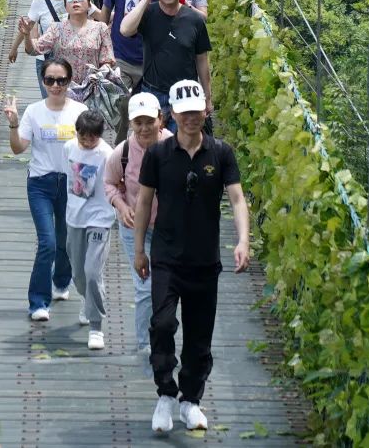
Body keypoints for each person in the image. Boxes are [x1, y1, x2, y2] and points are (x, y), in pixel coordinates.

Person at [135, 79, 250, 435]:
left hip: (204, 259)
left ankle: (191, 400)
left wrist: (243, 240)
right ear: (171, 113)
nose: (191, 118)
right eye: (184, 112)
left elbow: (237, 198)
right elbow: (143, 201)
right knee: (162, 324)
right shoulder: (158, 154)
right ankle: (165, 393)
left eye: (196, 111)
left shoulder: (221, 152)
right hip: (166, 257)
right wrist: (139, 249)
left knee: (200, 336)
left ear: (205, 111)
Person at [4, 63, 82, 321]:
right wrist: (14, 125)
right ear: (43, 81)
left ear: (69, 81)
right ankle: (38, 302)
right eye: (50, 80)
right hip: (40, 183)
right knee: (47, 242)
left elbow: (90, 149)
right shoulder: (34, 111)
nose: (56, 86)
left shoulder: (79, 112)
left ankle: (61, 280)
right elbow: (18, 148)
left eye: (61, 80)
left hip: (70, 184)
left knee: (65, 241)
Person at [104, 90, 171, 358]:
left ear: (160, 119)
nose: (144, 128)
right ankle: (145, 344)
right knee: (145, 285)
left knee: (169, 285)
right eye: (138, 122)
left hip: (170, 229)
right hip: (136, 229)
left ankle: (163, 335)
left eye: (149, 121)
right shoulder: (122, 152)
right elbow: (109, 184)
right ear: (130, 123)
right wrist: (121, 207)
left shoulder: (175, 147)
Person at [119, 0, 213, 116]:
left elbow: (202, 60)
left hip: (185, 95)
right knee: (152, 132)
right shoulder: (148, 13)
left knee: (183, 132)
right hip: (153, 93)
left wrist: (207, 97)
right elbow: (125, 30)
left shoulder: (195, 20)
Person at [64, 108, 114, 350]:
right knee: (78, 274)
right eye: (82, 136)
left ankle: (96, 327)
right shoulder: (69, 148)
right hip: (75, 217)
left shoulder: (107, 154)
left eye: (92, 137)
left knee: (92, 271)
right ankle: (88, 300)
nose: (86, 141)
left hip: (100, 218)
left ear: (100, 135)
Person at [26, 0, 116, 101]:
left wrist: (97, 77)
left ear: (89, 5)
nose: (75, 1)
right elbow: (33, 50)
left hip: (92, 92)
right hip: (63, 90)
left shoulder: (100, 28)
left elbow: (107, 60)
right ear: (65, 6)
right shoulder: (56, 28)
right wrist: (26, 35)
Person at [96, 0, 156, 92]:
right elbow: (106, 11)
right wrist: (101, 44)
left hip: (149, 60)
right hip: (120, 56)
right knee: (118, 101)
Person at [11, 0, 71, 90]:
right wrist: (14, 48)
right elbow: (27, 25)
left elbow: (92, 13)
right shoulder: (41, 0)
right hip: (46, 59)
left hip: (72, 59)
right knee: (50, 97)